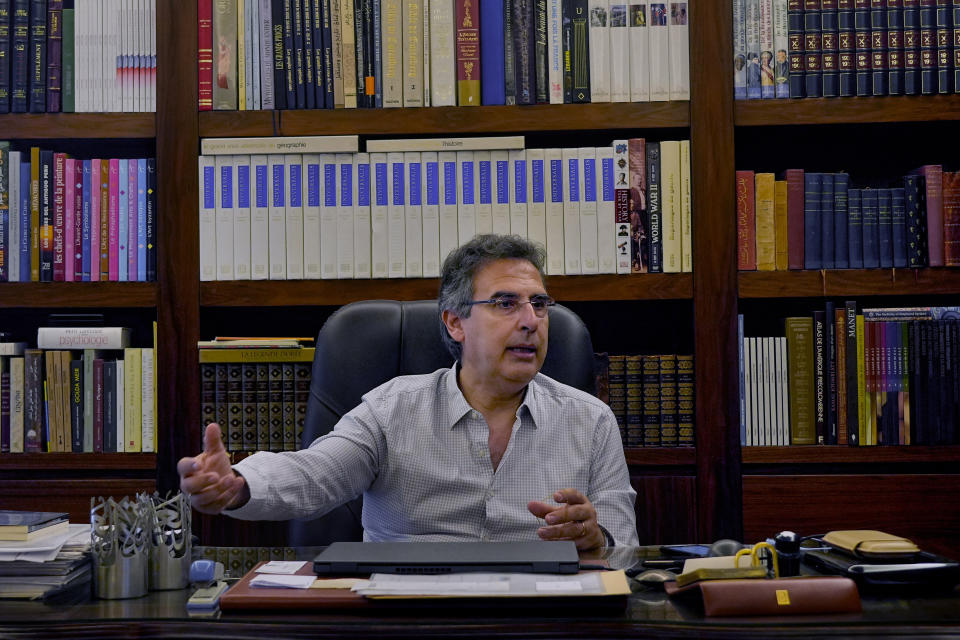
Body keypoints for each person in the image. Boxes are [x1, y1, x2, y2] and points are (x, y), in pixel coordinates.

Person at [178, 234, 639, 550]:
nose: (531, 320)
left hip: (542, 624)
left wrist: (595, 538)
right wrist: (237, 486)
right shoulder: (393, 409)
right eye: (505, 303)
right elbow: (316, 474)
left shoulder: (590, 420)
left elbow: (624, 546)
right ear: (455, 322)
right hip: (405, 620)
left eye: (539, 304)